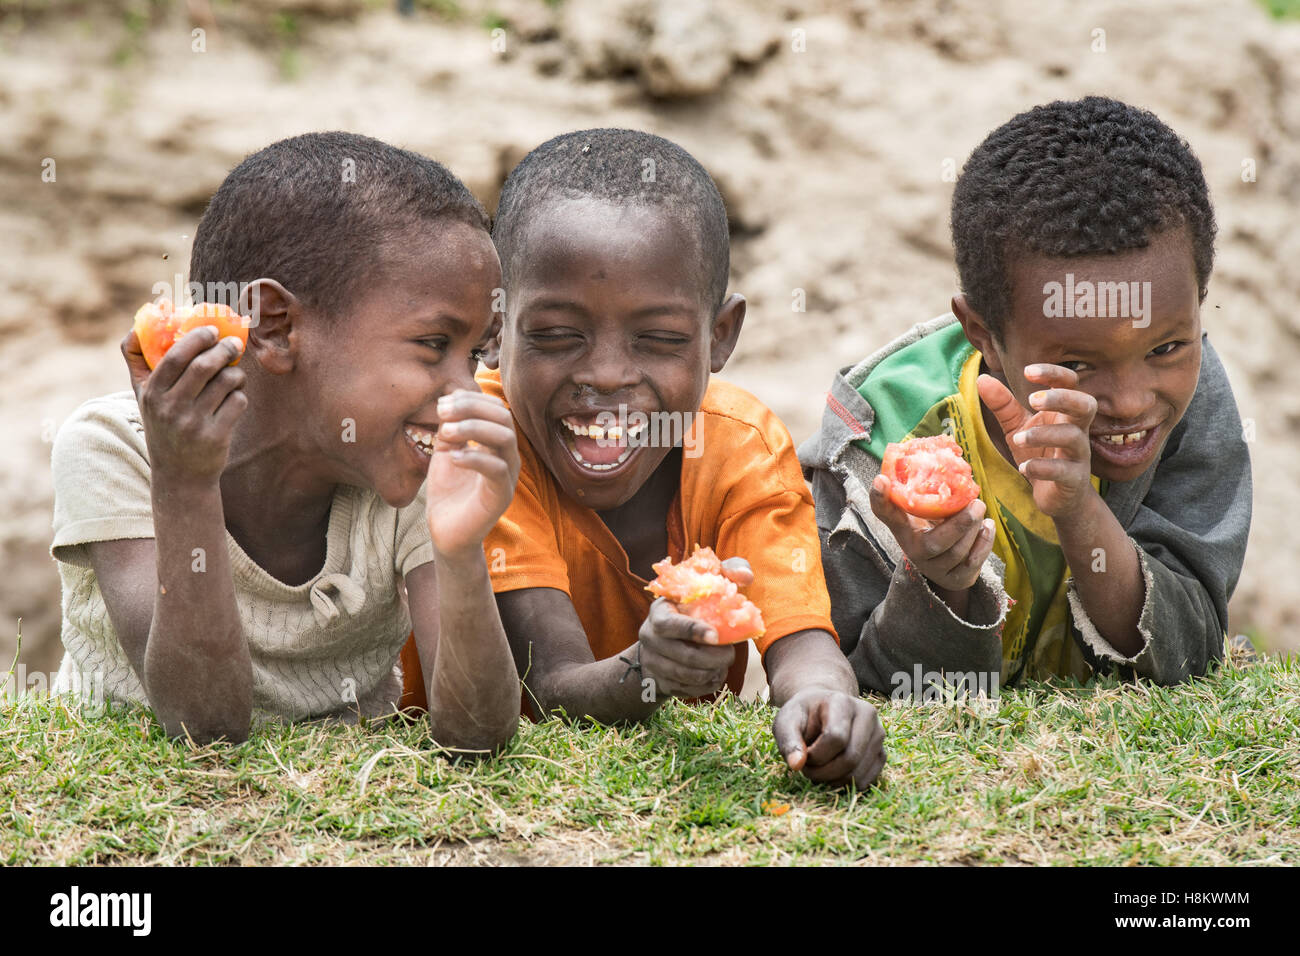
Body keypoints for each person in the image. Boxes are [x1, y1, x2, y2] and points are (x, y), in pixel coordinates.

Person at [402, 128, 885, 789]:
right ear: (496, 331)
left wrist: (824, 701)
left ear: (720, 337)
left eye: (657, 339)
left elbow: (803, 641)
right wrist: (646, 670)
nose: (605, 375)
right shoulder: (484, 447)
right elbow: (551, 686)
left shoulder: (740, 445)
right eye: (554, 336)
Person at [50, 132, 521, 750]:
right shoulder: (117, 446)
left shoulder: (414, 468)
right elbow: (205, 728)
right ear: (275, 327)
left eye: (480, 351)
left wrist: (460, 554)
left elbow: (478, 736)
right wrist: (184, 481)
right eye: (435, 345)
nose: (467, 391)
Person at [800, 97, 1252, 694]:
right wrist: (942, 580)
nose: (1130, 400)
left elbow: (1192, 649)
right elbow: (864, 694)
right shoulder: (877, 452)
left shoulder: (1194, 401)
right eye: (1075, 364)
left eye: (1165, 348)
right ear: (983, 334)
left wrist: (1080, 513)